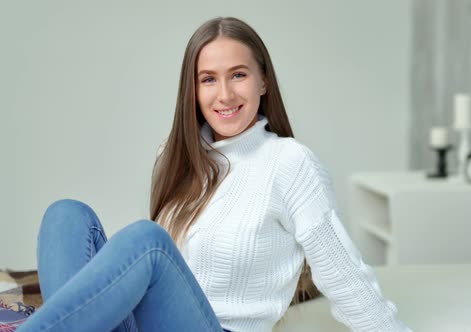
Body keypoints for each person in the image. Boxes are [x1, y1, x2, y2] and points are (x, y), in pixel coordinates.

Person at [17, 17, 411, 332]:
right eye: (208, 79)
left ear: (263, 81)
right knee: (65, 215)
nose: (224, 95)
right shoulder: (176, 156)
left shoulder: (290, 162)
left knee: (148, 242)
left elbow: (342, 273)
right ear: (193, 89)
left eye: (238, 75)